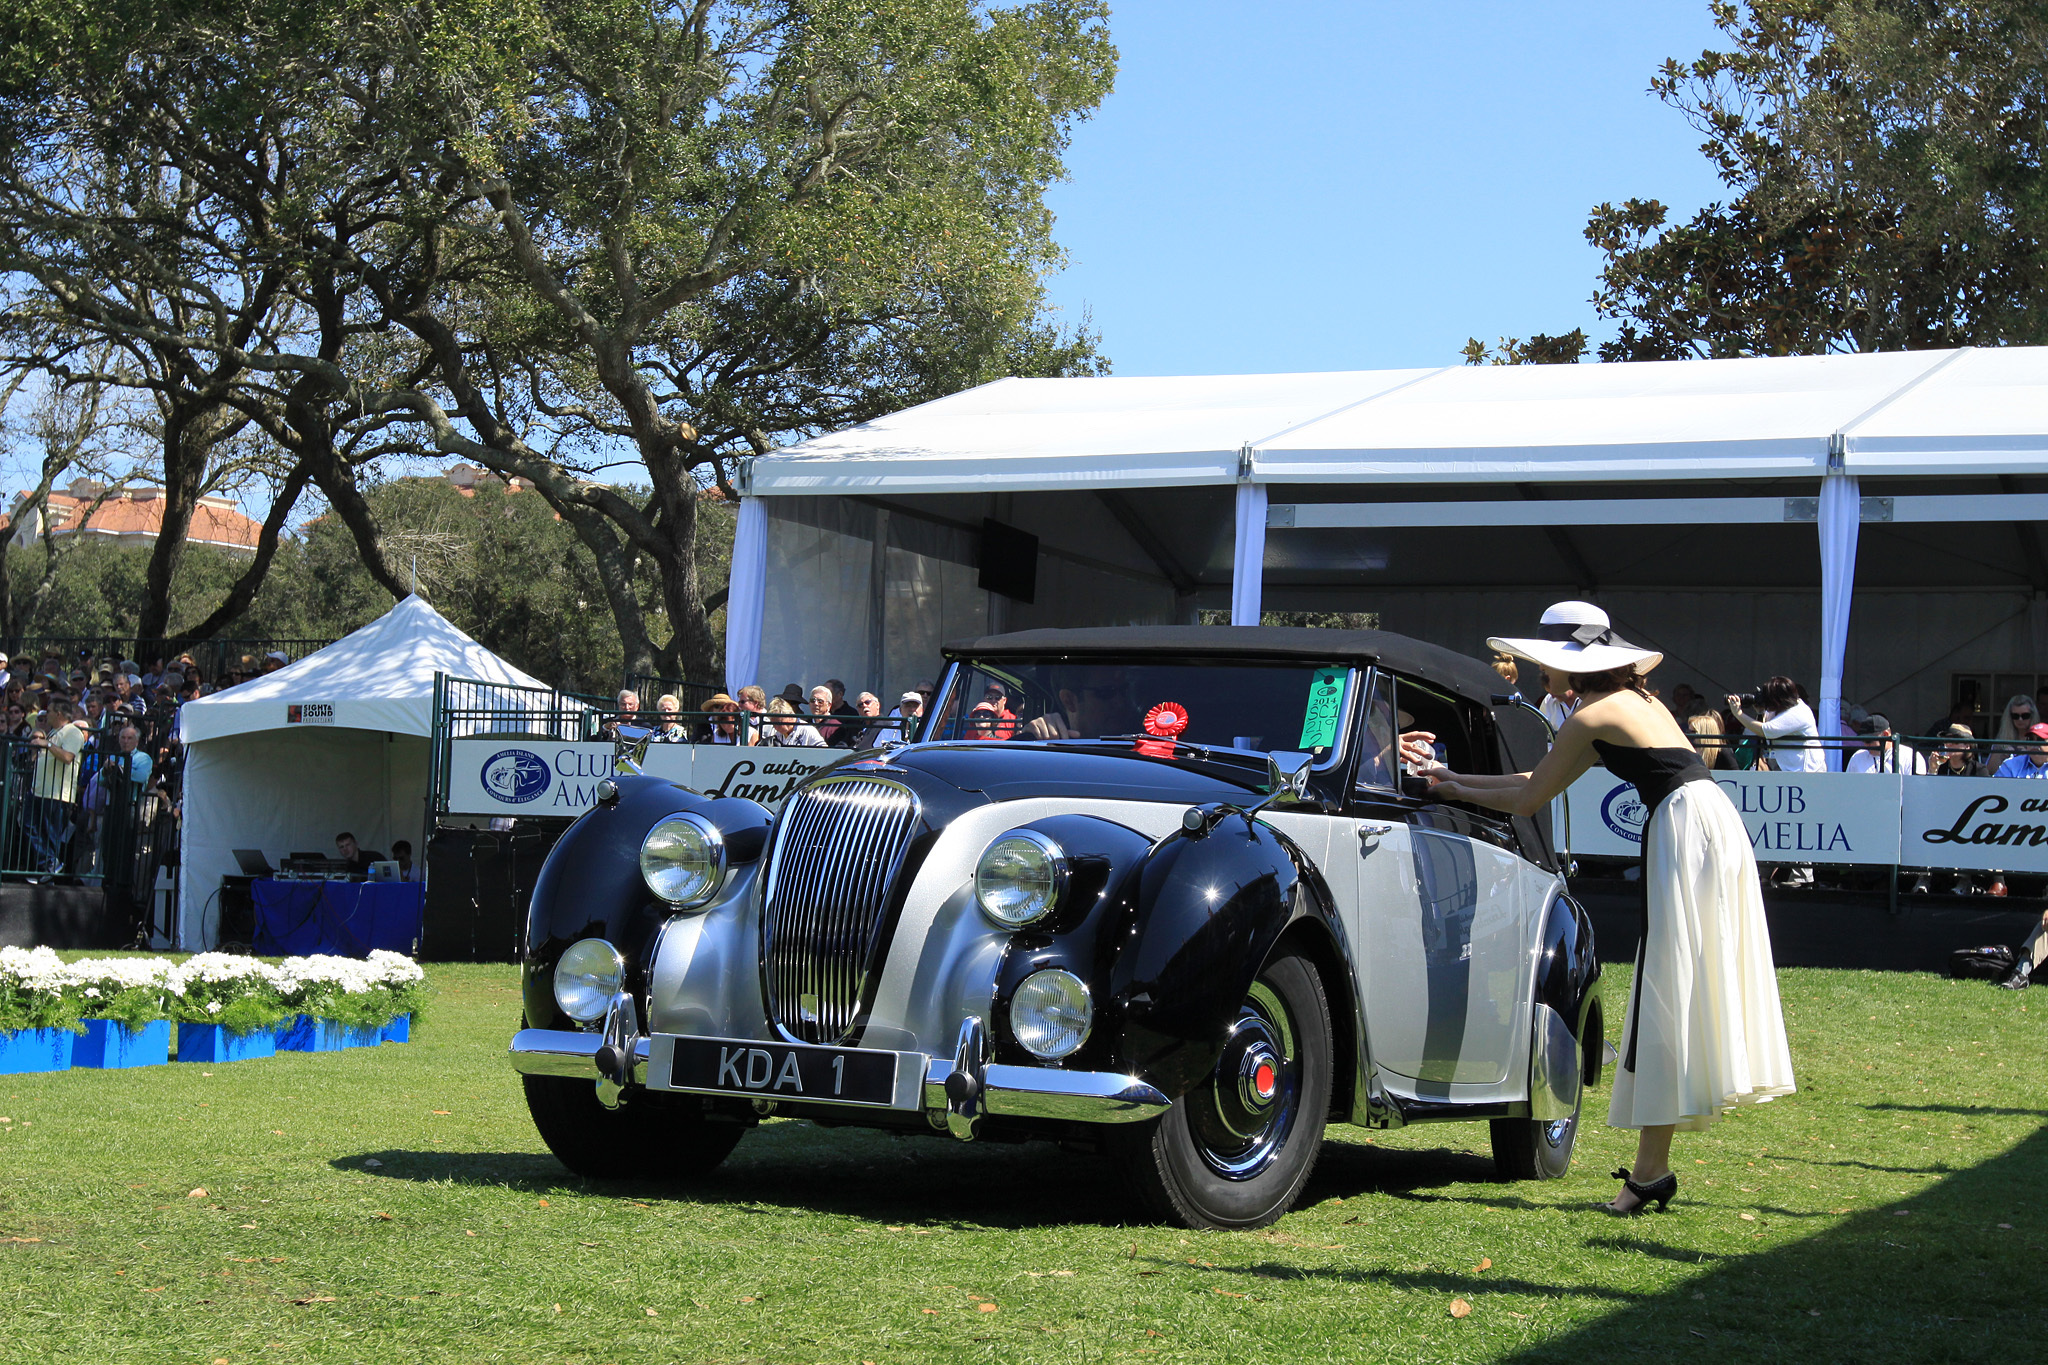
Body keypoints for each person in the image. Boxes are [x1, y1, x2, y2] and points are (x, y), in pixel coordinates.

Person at [1424, 616, 1794, 1215]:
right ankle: (1650, 1171)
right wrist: (1455, 780)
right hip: (1707, 822)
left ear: (1577, 666)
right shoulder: (1632, 700)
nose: (1544, 672)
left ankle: (1651, 1171)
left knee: (1666, 989)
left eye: (1550, 662)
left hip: (1684, 829)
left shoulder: (1593, 716)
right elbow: (1534, 780)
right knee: (1671, 987)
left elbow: (1528, 797)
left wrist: (1452, 788)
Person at [25, 699, 85, 880]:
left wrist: (48, 745)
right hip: (39, 790)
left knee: (50, 833)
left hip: (57, 793)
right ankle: (48, 866)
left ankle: (49, 867)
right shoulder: (54, 732)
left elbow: (67, 757)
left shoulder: (73, 732)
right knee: (29, 826)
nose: (46, 715)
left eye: (49, 711)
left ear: (58, 714)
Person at [1725, 677, 1824, 773]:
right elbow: (1764, 725)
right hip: (1789, 769)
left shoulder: (1797, 712)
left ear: (1778, 699)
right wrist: (1761, 713)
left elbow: (1765, 730)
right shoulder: (1781, 708)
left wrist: (1738, 713)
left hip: (1807, 770)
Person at [1845, 714, 1926, 774]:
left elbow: (1916, 791)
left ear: (1886, 734)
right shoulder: (1857, 757)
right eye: (1863, 740)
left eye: (1868, 740)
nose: (1865, 745)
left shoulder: (1910, 757)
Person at [1979, 694, 2039, 775]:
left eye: (2025, 716)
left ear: (2032, 716)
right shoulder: (2001, 742)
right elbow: (1989, 772)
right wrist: (2001, 756)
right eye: (2015, 716)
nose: (2020, 719)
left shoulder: (2041, 739)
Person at [760, 697, 826, 747]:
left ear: (790, 716)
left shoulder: (807, 730)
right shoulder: (778, 734)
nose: (775, 727)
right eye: (773, 724)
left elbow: (823, 750)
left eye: (778, 723)